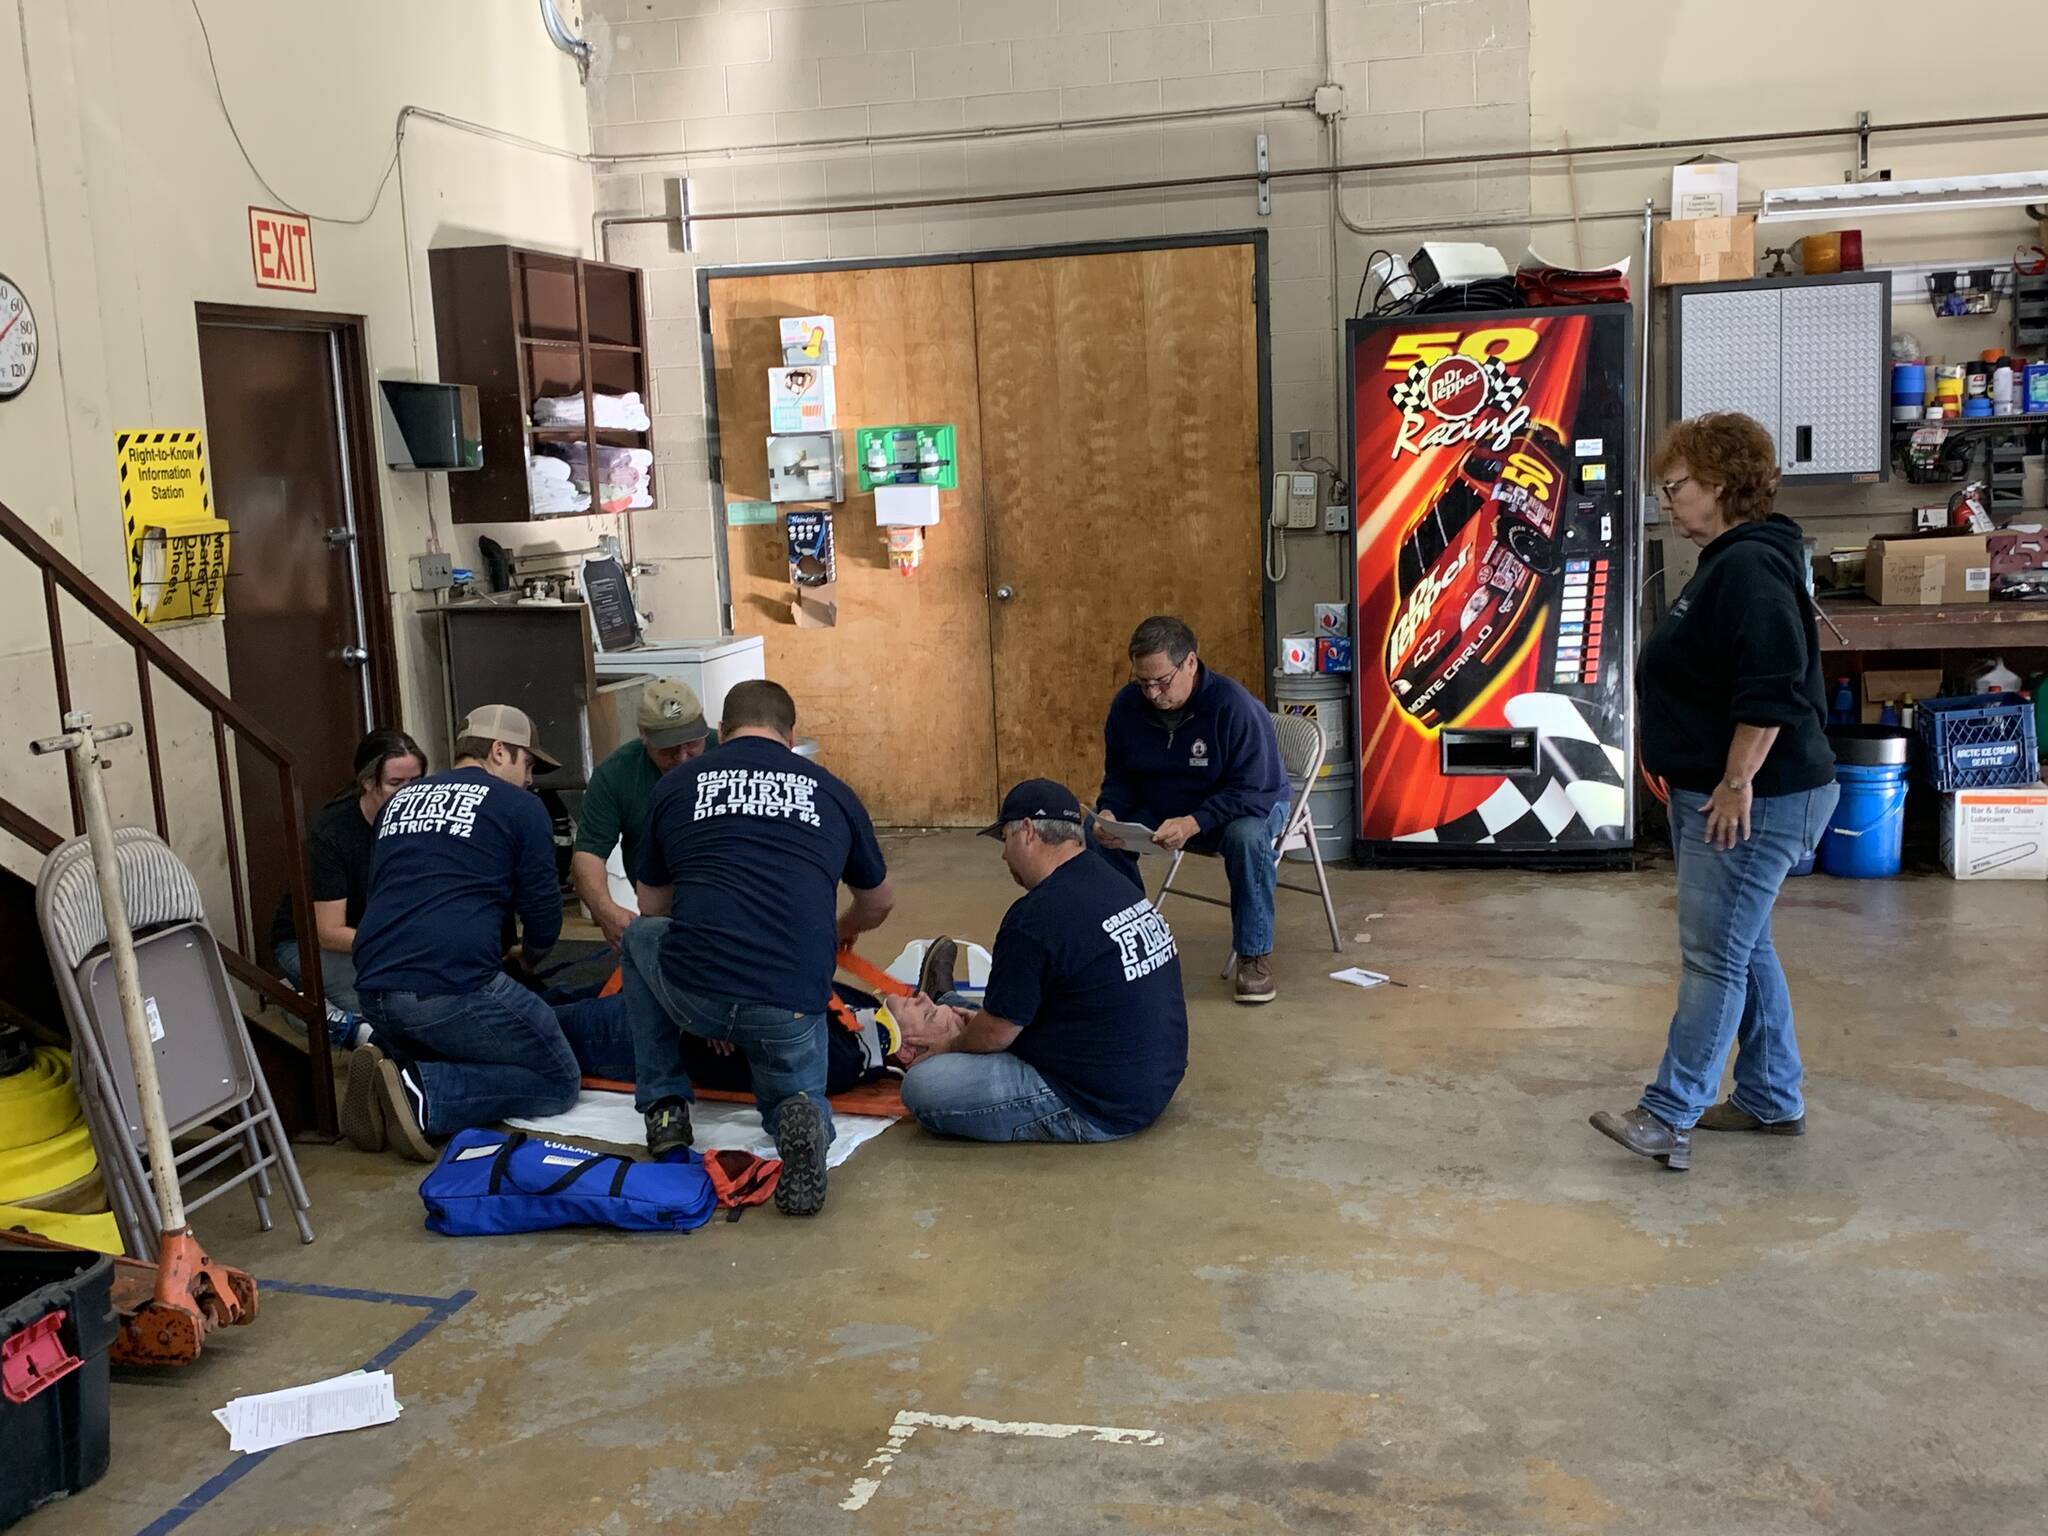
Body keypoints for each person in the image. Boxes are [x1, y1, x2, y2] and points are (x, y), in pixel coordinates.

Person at [1591, 412, 1838, 1173]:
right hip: (1735, 792)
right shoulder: (1738, 559)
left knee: (1713, 957)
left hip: (1751, 801)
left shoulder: (1749, 567)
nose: (1669, 501)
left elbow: (1771, 689)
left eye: (1678, 487)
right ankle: (1772, 1096)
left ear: (1722, 486)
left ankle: (1670, 1113)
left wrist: (1735, 782)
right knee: (1743, 944)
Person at [623, 679, 893, 1216]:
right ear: (791, 737)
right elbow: (879, 902)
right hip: (789, 996)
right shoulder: (832, 791)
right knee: (793, 1086)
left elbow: (652, 907)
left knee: (638, 938)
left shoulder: (677, 786)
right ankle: (802, 1114)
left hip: (697, 987)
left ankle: (665, 1109)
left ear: (721, 732)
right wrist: (839, 929)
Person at [343, 704, 616, 1161]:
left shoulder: (396, 804)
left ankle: (396, 1071)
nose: (531, 779)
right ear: (499, 751)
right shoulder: (521, 807)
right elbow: (545, 914)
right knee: (557, 1078)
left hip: (373, 990)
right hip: (449, 986)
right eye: (528, 764)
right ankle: (423, 1096)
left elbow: (387, 892)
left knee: (482, 1040)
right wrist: (527, 958)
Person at [893, 778, 1188, 1143]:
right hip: (1154, 1081)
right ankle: (949, 1006)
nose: (1003, 856)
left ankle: (947, 1017)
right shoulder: (1115, 882)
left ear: (1028, 832)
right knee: (1003, 1010)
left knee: (924, 1087)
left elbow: (999, 1034)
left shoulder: (1035, 917)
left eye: (1005, 840)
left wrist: (950, 1047)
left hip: (1096, 1104)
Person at [1094, 615, 1289, 1004]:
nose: (1151, 693)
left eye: (1161, 682)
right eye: (1142, 682)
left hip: (1246, 805)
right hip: (1168, 807)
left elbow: (1252, 790)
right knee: (1095, 835)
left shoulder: (1233, 707)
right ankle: (1136, 940)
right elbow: (1120, 776)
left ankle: (1254, 956)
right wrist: (1110, 811)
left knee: (1247, 837)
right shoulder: (1127, 707)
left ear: (1190, 664)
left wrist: (1194, 822)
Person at [268, 728, 426, 1034]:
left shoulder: (419, 819)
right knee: (381, 1005)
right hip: (310, 943)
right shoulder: (333, 833)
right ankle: (309, 1006)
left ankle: (314, 1003)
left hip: (375, 937)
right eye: (396, 784)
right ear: (367, 782)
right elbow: (328, 932)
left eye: (416, 782)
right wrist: (395, 945)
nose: (409, 793)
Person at [570, 679, 713, 949]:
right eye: (668, 749)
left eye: (692, 744)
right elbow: (588, 854)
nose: (683, 758)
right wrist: (605, 911)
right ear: (644, 735)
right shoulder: (616, 774)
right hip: (659, 908)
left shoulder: (728, 752)